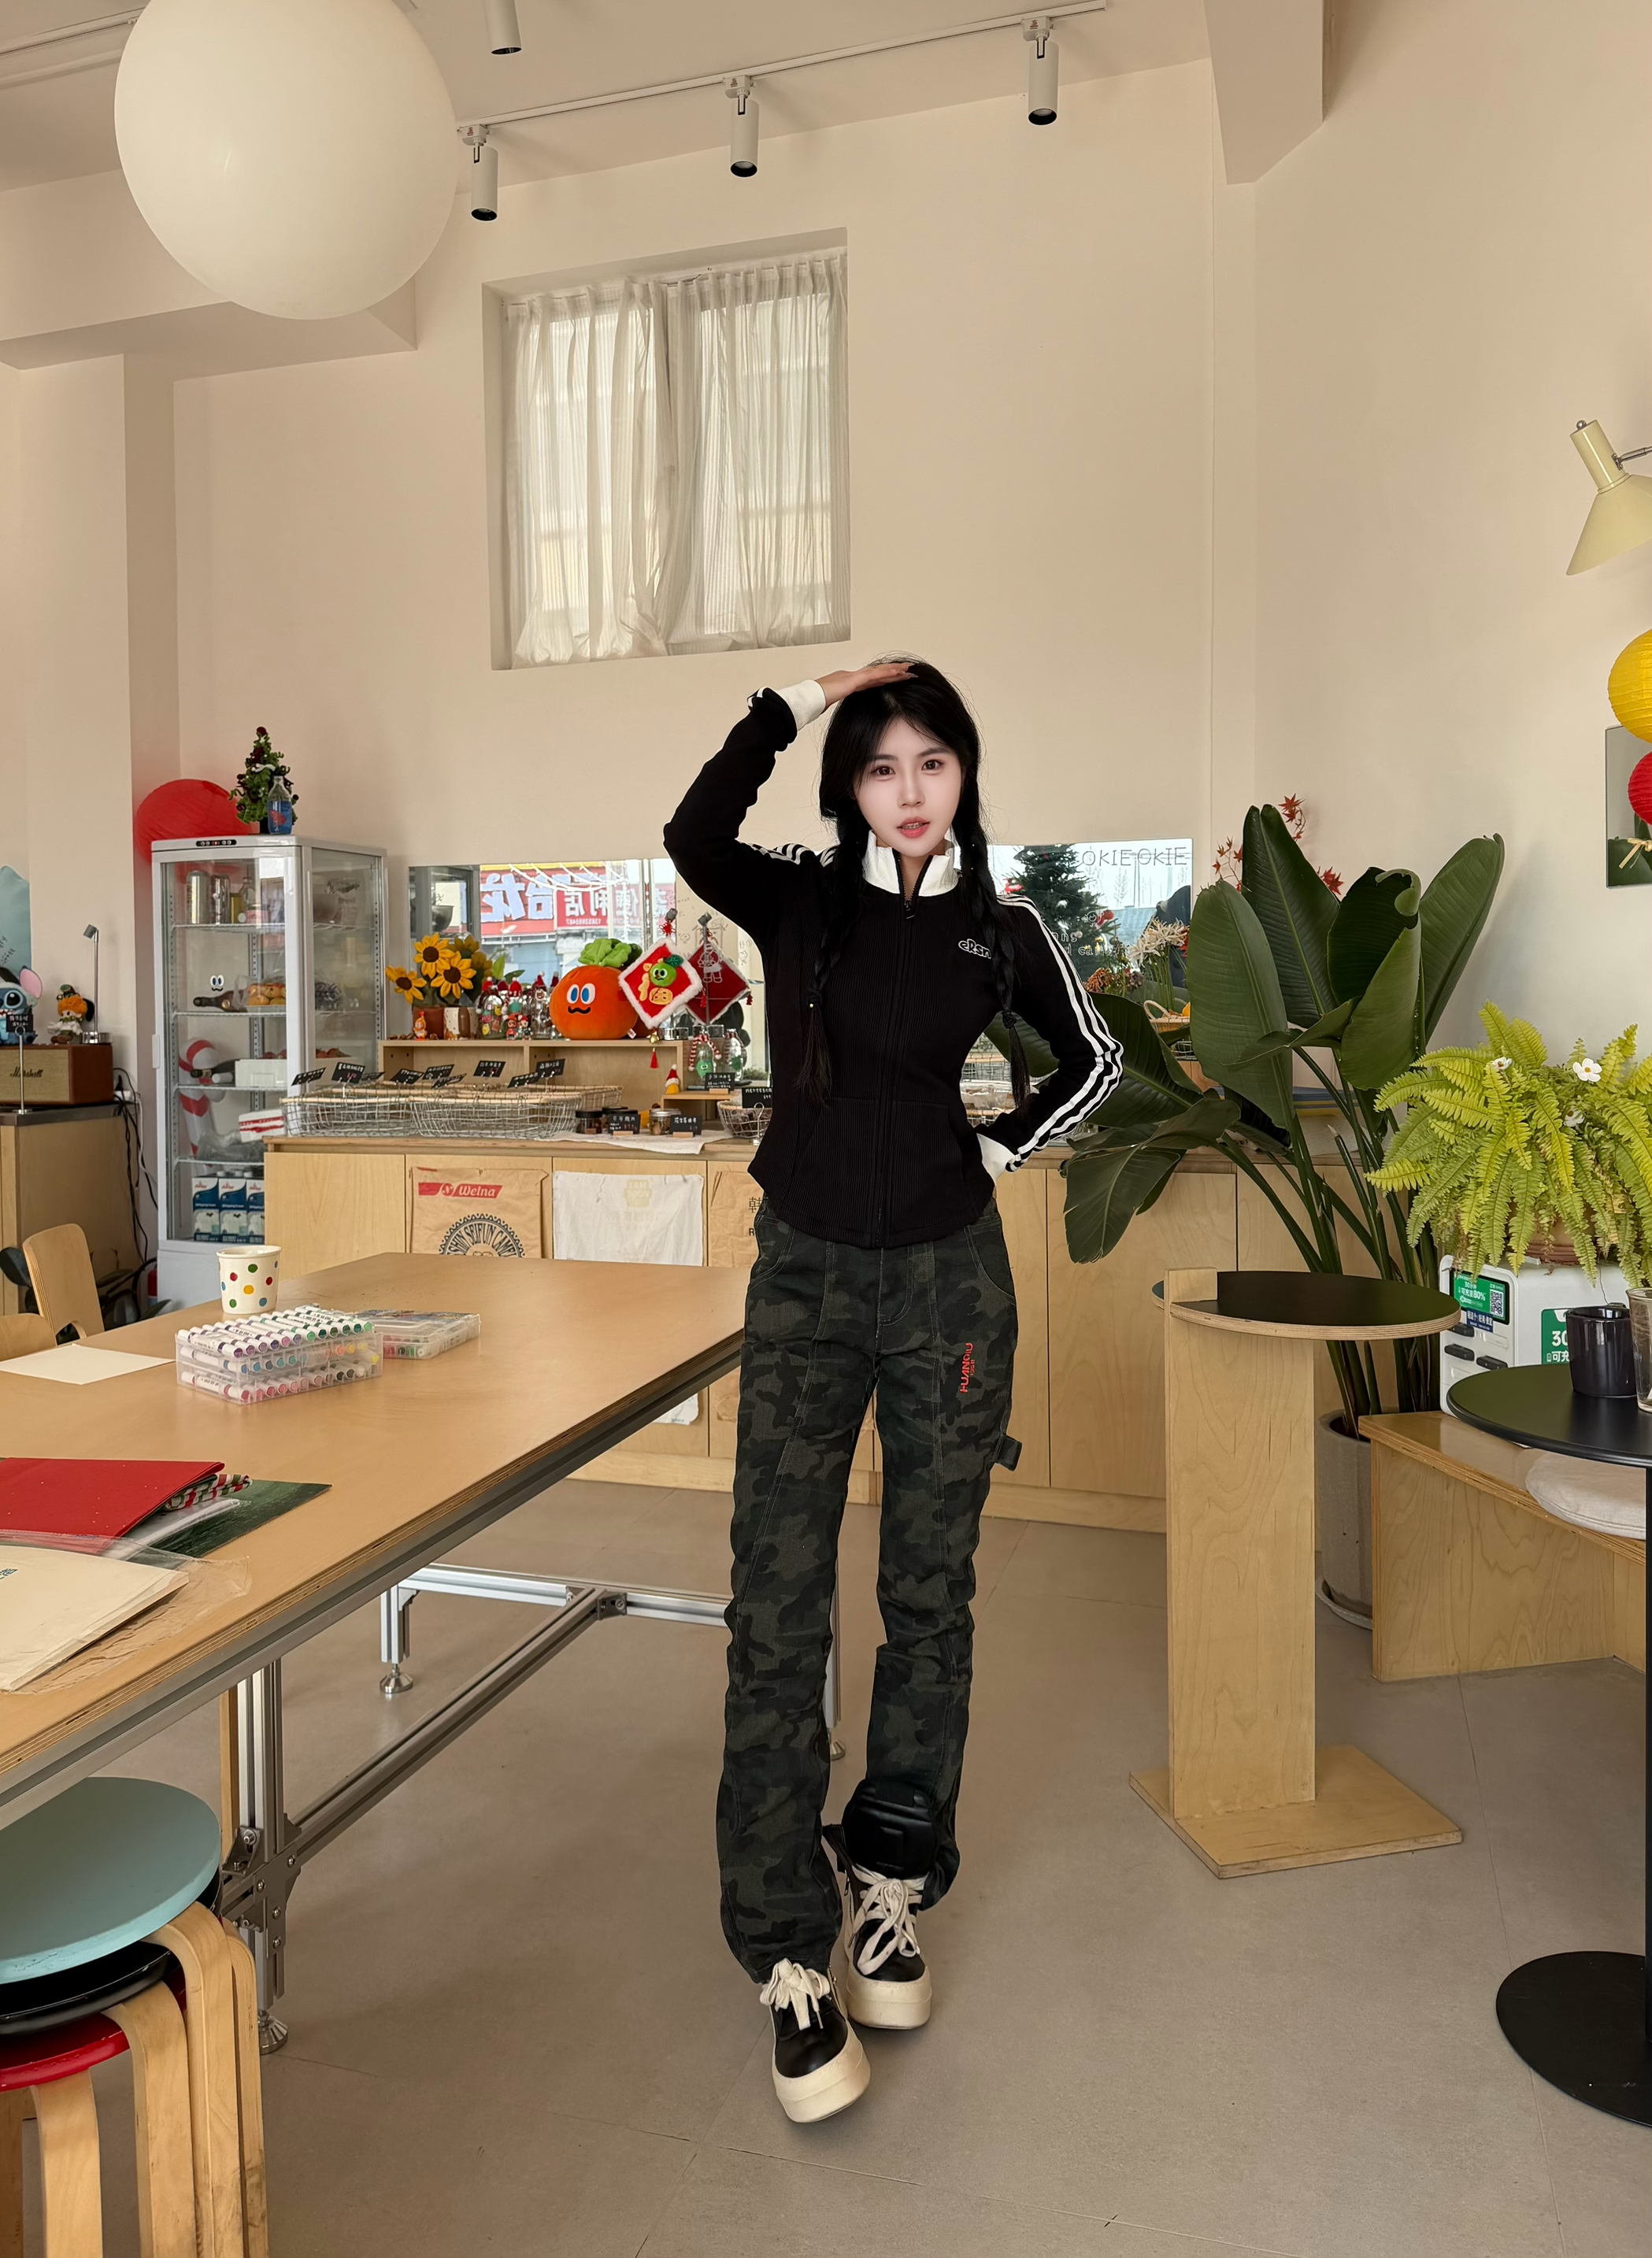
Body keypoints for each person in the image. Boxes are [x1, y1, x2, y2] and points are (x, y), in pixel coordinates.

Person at [663, 659, 1123, 2123]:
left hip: (947, 1290)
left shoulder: (1001, 928)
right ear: (847, 787)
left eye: (932, 762)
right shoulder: (798, 903)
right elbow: (691, 831)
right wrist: (798, 697)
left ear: (964, 773)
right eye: (880, 767)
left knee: (929, 1595)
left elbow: (1096, 1061)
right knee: (777, 1604)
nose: (910, 791)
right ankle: (783, 1948)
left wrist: (994, 1147)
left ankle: (889, 1886)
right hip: (802, 1279)